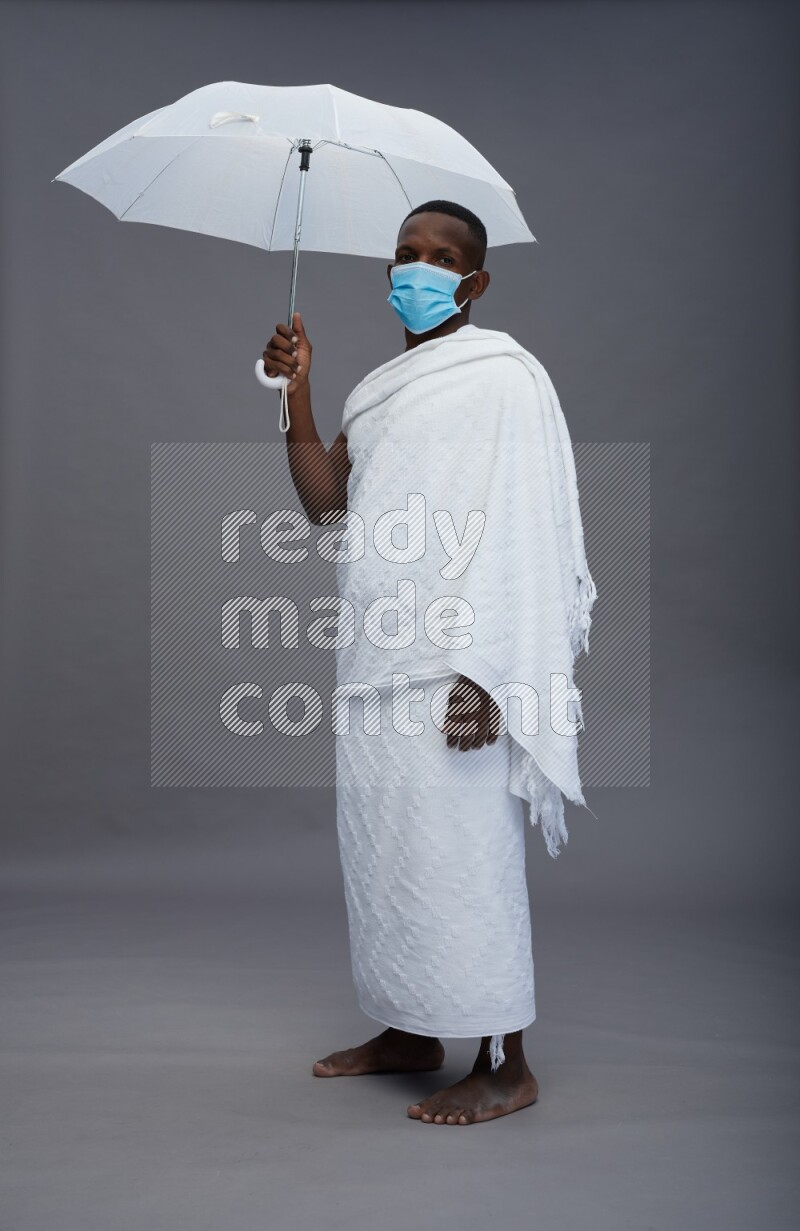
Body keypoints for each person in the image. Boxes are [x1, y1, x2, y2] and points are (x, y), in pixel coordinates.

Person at [262, 200, 595, 1126]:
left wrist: (491, 671)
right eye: (405, 253)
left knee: (462, 859)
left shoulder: (504, 379)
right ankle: (411, 1029)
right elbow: (327, 506)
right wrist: (297, 394)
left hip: (459, 665)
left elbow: (524, 531)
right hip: (376, 657)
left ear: (476, 282)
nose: (419, 267)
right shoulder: (378, 390)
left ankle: (505, 1061)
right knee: (385, 860)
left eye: (442, 258)